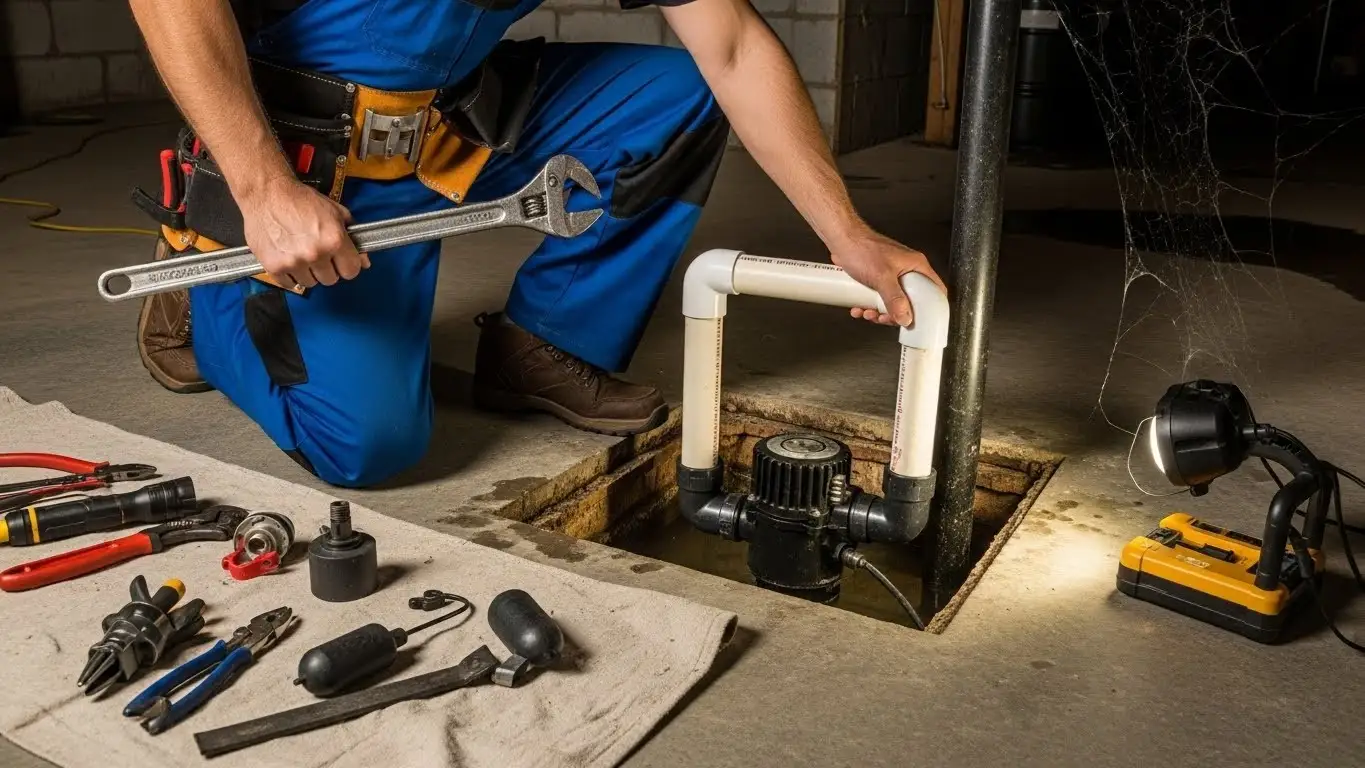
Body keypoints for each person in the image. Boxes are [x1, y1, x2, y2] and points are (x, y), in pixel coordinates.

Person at [127, 0, 947, 488]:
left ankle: (542, 343)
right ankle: (203, 289)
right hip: (306, 154)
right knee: (366, 447)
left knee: (677, 97)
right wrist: (263, 189)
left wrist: (848, 234)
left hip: (450, 117)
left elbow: (730, 44)